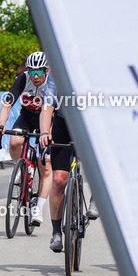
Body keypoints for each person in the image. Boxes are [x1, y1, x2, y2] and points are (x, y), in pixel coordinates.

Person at [0, 51, 55, 227]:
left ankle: (38, 209)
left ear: (46, 71)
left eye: (39, 72)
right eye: (32, 72)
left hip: (48, 119)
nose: (35, 77)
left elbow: (53, 111)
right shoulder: (22, 79)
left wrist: (49, 133)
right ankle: (21, 168)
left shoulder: (52, 83)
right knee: (14, 142)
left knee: (45, 164)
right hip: (27, 116)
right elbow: (7, 105)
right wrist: (0, 125)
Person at [39, 79, 99, 253]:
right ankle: (56, 232)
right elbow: (47, 106)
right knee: (58, 180)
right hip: (63, 123)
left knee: (97, 164)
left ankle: (96, 198)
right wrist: (44, 132)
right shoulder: (57, 72)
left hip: (91, 122)